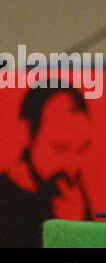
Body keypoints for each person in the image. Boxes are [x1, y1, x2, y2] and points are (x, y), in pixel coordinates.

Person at [0, 85, 92, 247]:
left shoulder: (70, 195)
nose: (72, 166)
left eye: (81, 150)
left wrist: (79, 226)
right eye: (61, 149)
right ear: (27, 133)